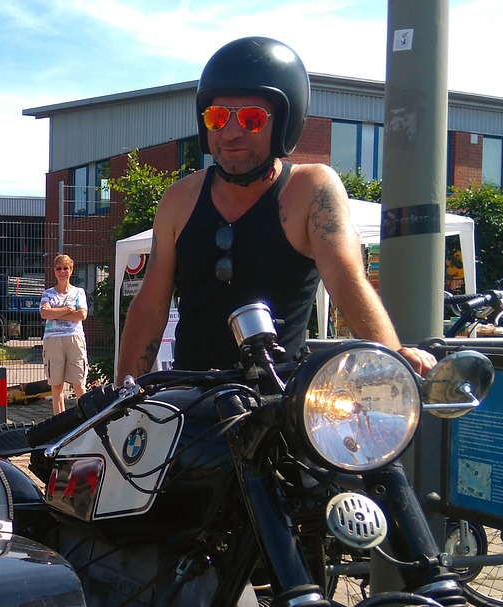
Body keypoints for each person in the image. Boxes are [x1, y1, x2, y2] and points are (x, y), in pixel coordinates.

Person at [116, 37, 434, 379]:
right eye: (218, 117)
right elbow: (150, 306)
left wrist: (392, 356)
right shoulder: (179, 199)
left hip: (280, 403)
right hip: (191, 403)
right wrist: (120, 400)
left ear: (284, 121)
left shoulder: (310, 189)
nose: (231, 132)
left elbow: (345, 279)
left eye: (252, 119)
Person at [40, 254, 89, 414]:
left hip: (75, 338)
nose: (62, 271)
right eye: (59, 268)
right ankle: (59, 423)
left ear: (71, 270)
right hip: (53, 340)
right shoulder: (48, 293)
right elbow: (45, 313)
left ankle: (86, 421)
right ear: (55, 271)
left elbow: (82, 315)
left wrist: (56, 313)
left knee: (79, 383)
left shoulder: (79, 292)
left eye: (65, 268)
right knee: (56, 385)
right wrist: (68, 310)